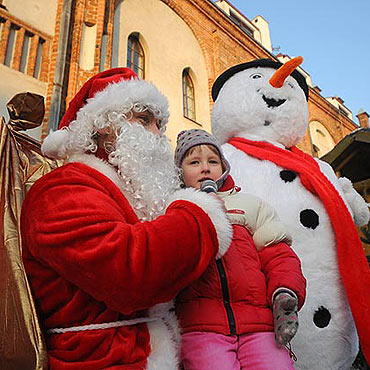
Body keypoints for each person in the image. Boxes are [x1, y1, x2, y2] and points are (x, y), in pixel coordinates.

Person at [20, 68, 233, 370]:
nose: (159, 135)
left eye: (160, 123)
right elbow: (133, 273)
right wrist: (201, 217)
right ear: (104, 125)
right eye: (144, 120)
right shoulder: (60, 189)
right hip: (99, 359)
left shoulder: (129, 192)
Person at [174, 129, 307, 370]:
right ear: (180, 172)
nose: (205, 168)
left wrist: (284, 291)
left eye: (213, 161)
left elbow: (277, 254)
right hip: (201, 326)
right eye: (194, 162)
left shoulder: (249, 205)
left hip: (258, 323)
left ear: (224, 168)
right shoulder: (175, 209)